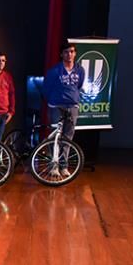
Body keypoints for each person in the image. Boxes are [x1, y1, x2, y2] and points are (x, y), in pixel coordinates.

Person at [41, 40, 86, 177]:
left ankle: (63, 166)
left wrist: (72, 99)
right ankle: (53, 166)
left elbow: (78, 86)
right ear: (61, 54)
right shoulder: (54, 70)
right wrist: (54, 100)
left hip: (72, 106)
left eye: (72, 52)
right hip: (56, 106)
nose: (69, 54)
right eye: (66, 52)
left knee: (67, 137)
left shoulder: (80, 70)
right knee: (55, 136)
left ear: (75, 53)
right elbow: (46, 89)